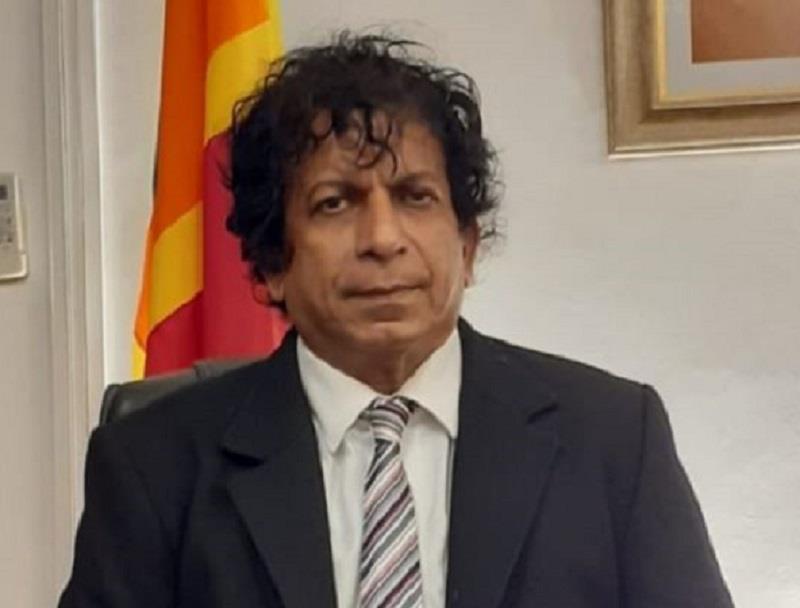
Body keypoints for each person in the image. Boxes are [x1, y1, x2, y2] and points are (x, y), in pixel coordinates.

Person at [59, 33, 734, 608]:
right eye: (334, 203)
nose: (383, 238)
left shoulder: (612, 439)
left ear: (466, 246)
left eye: (415, 197)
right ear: (270, 265)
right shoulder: (154, 465)